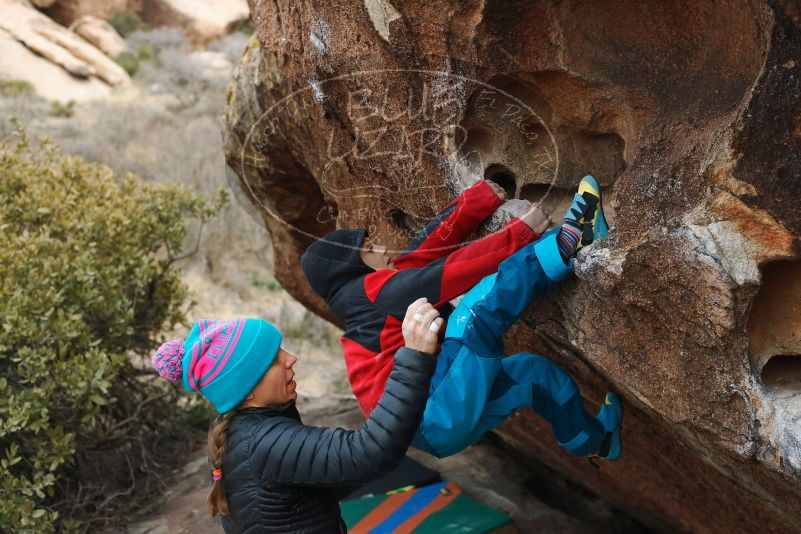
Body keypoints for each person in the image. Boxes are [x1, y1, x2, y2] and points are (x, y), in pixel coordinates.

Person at [301, 175, 622, 460]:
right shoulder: (369, 292)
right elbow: (445, 274)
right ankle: (573, 240)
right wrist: (519, 233)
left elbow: (421, 255)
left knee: (533, 374)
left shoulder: (364, 303)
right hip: (433, 410)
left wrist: (477, 199)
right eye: (370, 248)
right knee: (474, 313)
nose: (383, 248)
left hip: (436, 432)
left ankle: (595, 441)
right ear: (351, 268)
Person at [151, 299, 443, 533]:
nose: (291, 358)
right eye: (274, 359)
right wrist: (414, 357)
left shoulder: (243, 431)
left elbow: (333, 472)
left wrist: (390, 434)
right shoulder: (266, 442)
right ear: (247, 389)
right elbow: (366, 453)